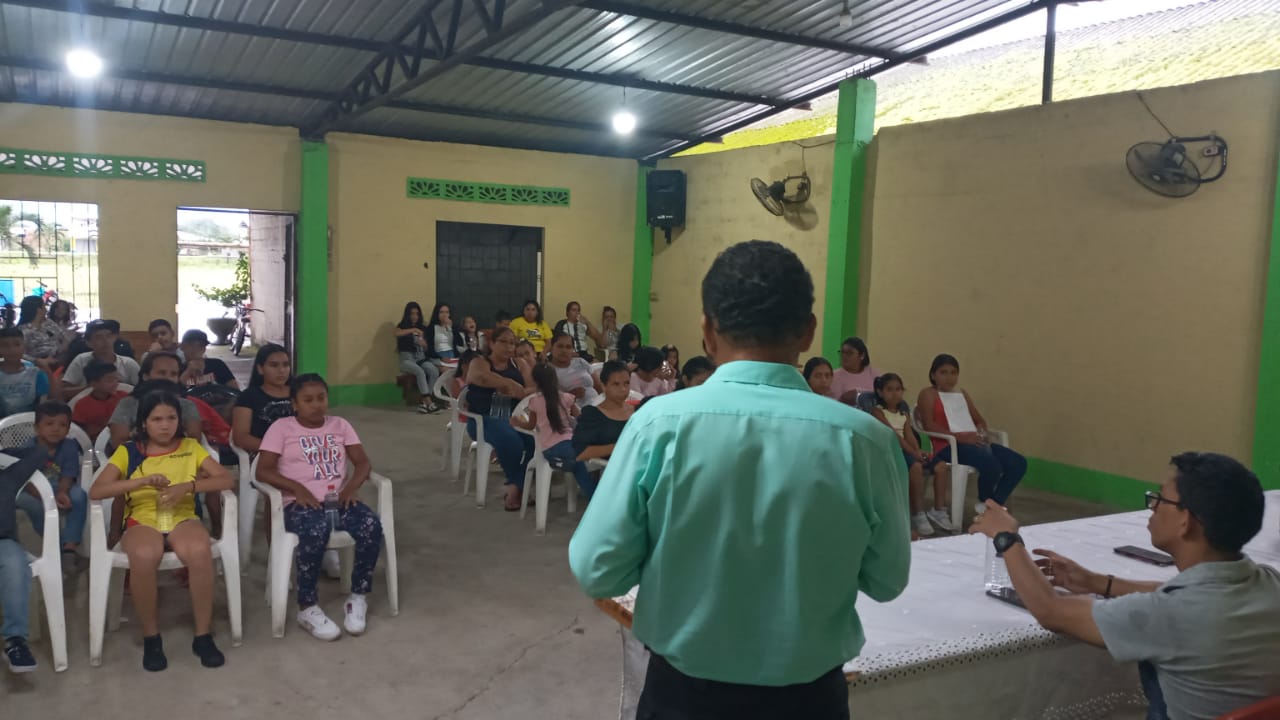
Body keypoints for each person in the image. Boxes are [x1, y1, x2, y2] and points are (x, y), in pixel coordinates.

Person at [569, 240, 911, 719]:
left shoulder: (658, 425)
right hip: (810, 699)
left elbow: (598, 568)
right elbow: (887, 579)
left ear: (707, 332)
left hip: (685, 695)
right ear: (809, 331)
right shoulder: (866, 441)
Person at [971, 452, 1280, 720]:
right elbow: (1180, 594)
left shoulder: (1168, 616)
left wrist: (1006, 538)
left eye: (1160, 499)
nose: (1152, 506)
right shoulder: (1268, 582)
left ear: (1186, 521)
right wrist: (1097, 582)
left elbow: (1051, 610)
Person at [89, 390, 234, 671]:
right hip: (143, 519)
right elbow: (97, 490)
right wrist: (139, 482)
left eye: (171, 418)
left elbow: (226, 479)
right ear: (144, 422)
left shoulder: (190, 447)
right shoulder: (129, 451)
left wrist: (188, 487)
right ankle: (151, 637)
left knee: (199, 551)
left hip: (182, 517)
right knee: (144, 555)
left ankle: (203, 635)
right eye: (157, 419)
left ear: (179, 420)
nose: (165, 425)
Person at [255, 374, 383, 641]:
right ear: (295, 404)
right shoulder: (281, 428)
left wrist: (351, 488)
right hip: (299, 504)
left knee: (371, 525)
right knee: (315, 530)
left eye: (321, 398)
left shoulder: (340, 425)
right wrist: (296, 488)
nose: (316, 405)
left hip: (338, 499)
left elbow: (362, 463)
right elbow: (263, 471)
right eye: (308, 400)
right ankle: (307, 606)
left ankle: (357, 597)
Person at [917, 353, 1026, 512]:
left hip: (973, 442)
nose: (949, 377)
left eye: (953, 373)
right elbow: (928, 425)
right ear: (933, 375)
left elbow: (978, 419)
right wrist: (960, 438)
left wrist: (981, 432)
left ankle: (993, 504)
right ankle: (986, 499)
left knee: (1018, 463)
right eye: (943, 372)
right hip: (948, 446)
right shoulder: (928, 394)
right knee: (991, 463)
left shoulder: (961, 394)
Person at [871, 373, 953, 536]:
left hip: (908, 449)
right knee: (915, 467)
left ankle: (939, 510)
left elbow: (909, 434)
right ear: (880, 392)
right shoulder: (877, 411)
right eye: (889, 390)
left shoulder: (903, 413)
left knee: (941, 466)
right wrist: (914, 453)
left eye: (898, 389)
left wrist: (918, 450)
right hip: (891, 450)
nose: (895, 393)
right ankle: (918, 513)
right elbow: (894, 436)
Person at [464, 327, 534, 511]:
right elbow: (480, 377)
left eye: (512, 343)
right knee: (512, 441)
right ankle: (518, 487)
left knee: (539, 442)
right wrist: (507, 384)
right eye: (503, 341)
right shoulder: (479, 362)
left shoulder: (519, 364)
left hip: (514, 417)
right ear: (492, 343)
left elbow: (533, 388)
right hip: (483, 419)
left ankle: (515, 485)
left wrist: (519, 392)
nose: (509, 346)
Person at [512, 364, 595, 498]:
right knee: (582, 462)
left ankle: (567, 466)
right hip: (569, 442)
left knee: (578, 463)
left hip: (549, 448)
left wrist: (517, 422)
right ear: (555, 379)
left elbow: (530, 425)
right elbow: (581, 418)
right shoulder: (566, 397)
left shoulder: (535, 402)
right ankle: (595, 496)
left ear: (536, 381)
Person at [0, 449, 46, 673]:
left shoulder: (8, 476)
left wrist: (4, 454)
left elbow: (39, 453)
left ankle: (15, 641)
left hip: (3, 542)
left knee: (15, 565)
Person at [109, 353, 204, 450]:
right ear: (146, 376)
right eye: (162, 373)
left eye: (173, 374)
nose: (168, 378)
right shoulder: (128, 404)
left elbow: (194, 440)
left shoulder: (187, 405)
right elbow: (118, 442)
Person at [231, 343, 294, 453]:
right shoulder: (248, 397)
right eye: (274, 365)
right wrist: (278, 450)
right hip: (265, 455)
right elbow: (240, 438)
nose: (282, 370)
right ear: (260, 369)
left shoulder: (299, 393)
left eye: (286, 365)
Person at [573, 361, 633, 462]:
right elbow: (580, 453)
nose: (623, 389)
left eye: (626, 383)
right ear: (604, 386)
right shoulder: (592, 416)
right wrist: (620, 446)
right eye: (616, 384)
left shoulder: (636, 410)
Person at [61, 319, 141, 393]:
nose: (105, 341)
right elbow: (64, 391)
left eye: (109, 336)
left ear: (115, 338)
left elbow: (143, 389)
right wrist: (91, 388)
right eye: (99, 337)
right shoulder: (81, 360)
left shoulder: (128, 363)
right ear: (88, 343)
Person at [393, 302, 442, 415]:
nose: (414, 316)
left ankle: (424, 403)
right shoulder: (402, 325)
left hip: (420, 357)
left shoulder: (423, 328)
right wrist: (413, 330)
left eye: (417, 314)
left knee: (433, 371)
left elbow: (427, 348)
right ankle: (429, 402)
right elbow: (396, 333)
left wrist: (424, 344)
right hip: (406, 359)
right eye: (412, 314)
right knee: (419, 371)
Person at [0, 328, 53, 416]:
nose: (11, 350)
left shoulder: (35, 372)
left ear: (24, 347)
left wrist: (48, 371)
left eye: (17, 344)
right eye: (5, 345)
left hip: (27, 420)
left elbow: (45, 402)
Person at [72, 361, 128, 440]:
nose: (115, 383)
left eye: (116, 378)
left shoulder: (124, 397)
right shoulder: (82, 405)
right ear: (93, 384)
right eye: (109, 380)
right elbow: (78, 432)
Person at [548, 330, 603, 407]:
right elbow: (549, 400)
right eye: (560, 346)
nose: (564, 350)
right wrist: (570, 395)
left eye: (568, 347)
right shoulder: (548, 370)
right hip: (572, 410)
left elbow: (598, 386)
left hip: (597, 405)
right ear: (551, 347)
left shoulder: (580, 362)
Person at [17, 295, 67, 369]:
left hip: (59, 355)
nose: (46, 310)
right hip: (40, 362)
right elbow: (19, 354)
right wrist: (37, 360)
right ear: (39, 310)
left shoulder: (48, 323)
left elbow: (62, 336)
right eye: (44, 307)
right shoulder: (23, 330)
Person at [829, 337, 879, 403]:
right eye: (842, 352)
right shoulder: (834, 376)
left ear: (862, 355)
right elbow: (833, 403)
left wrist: (857, 392)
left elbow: (882, 395)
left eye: (849, 353)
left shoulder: (873, 373)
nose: (844, 356)